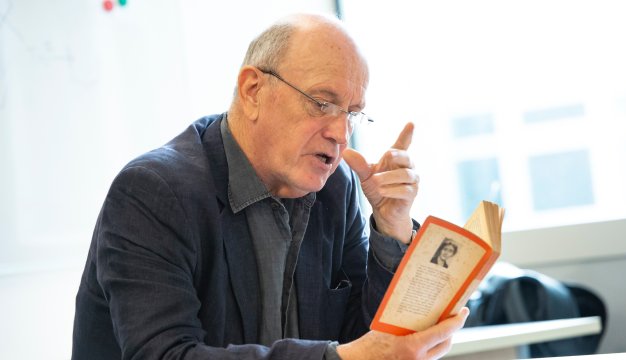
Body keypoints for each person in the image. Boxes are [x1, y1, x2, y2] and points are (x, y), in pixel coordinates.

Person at [72, 13, 468, 360]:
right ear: (252, 91)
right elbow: (164, 354)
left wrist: (391, 226)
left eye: (353, 113)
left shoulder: (336, 188)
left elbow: (362, 341)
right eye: (321, 102)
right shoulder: (152, 192)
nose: (340, 133)